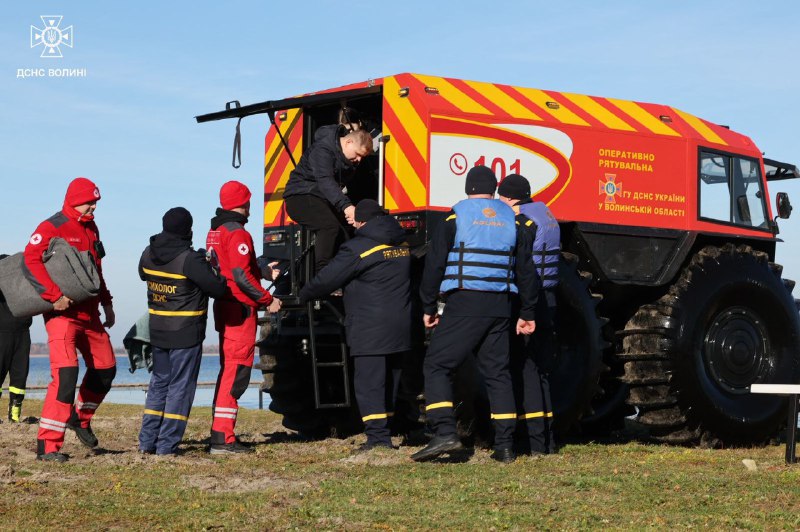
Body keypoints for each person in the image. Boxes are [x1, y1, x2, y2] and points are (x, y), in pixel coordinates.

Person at [411, 166, 539, 464]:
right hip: (501, 304)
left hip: (465, 301)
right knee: (498, 372)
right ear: (494, 190)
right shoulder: (514, 220)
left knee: (437, 364)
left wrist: (428, 306)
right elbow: (526, 270)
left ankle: (444, 432)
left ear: (468, 188)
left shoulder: (455, 217)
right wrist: (528, 311)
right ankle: (505, 445)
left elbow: (435, 264)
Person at [298, 199, 411, 451]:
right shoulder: (402, 244)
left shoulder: (358, 247)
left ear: (361, 221)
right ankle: (386, 431)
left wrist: (303, 294)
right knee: (390, 381)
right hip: (400, 325)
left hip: (370, 327)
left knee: (369, 383)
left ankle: (378, 439)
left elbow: (327, 279)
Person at [24, 177, 116, 463]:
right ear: (74, 199)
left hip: (91, 314)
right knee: (65, 376)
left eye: (96, 203)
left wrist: (107, 302)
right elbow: (30, 259)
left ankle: (81, 418)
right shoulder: (51, 226)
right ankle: (48, 446)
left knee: (107, 369)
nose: (93, 208)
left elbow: (96, 269)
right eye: (90, 202)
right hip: (62, 316)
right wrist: (53, 297)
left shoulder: (92, 227)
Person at [138, 207, 228, 456]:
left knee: (158, 385)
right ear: (187, 230)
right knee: (181, 388)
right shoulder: (189, 259)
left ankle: (147, 442)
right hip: (185, 332)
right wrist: (212, 266)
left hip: (158, 330)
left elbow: (142, 273)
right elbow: (218, 289)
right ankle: (167, 445)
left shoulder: (148, 253)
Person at [206, 180, 282, 454]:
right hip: (240, 310)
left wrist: (260, 269)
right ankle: (223, 439)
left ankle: (219, 431)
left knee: (228, 369)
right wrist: (267, 298)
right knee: (237, 371)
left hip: (224, 308)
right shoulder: (238, 233)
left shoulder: (215, 231)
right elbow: (240, 276)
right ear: (245, 203)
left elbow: (230, 267)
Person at [498, 173, 559, 455]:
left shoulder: (522, 220)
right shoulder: (546, 213)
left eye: (501, 197)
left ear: (510, 197)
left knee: (527, 369)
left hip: (530, 300)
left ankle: (533, 444)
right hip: (550, 298)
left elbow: (520, 261)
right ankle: (548, 442)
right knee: (543, 371)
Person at [283, 125, 374, 273]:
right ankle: (324, 276)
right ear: (349, 142)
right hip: (300, 196)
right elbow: (325, 181)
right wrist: (347, 207)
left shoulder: (347, 162)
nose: (358, 160)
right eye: (358, 154)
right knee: (329, 227)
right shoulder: (322, 150)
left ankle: (346, 277)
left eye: (362, 157)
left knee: (345, 234)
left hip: (320, 198)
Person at [0, 255, 33, 423]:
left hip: (23, 333)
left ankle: (14, 414)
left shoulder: (24, 283)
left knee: (20, 375)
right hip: (2, 333)